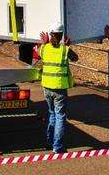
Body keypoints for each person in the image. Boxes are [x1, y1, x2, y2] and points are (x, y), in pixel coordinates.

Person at [39, 22, 78, 153]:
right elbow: (75, 58)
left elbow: (41, 53)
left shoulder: (44, 48)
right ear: (61, 36)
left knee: (52, 114)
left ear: (50, 35)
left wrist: (44, 43)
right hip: (60, 88)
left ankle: (50, 141)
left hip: (47, 87)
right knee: (60, 116)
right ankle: (58, 146)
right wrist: (67, 46)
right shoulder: (65, 50)